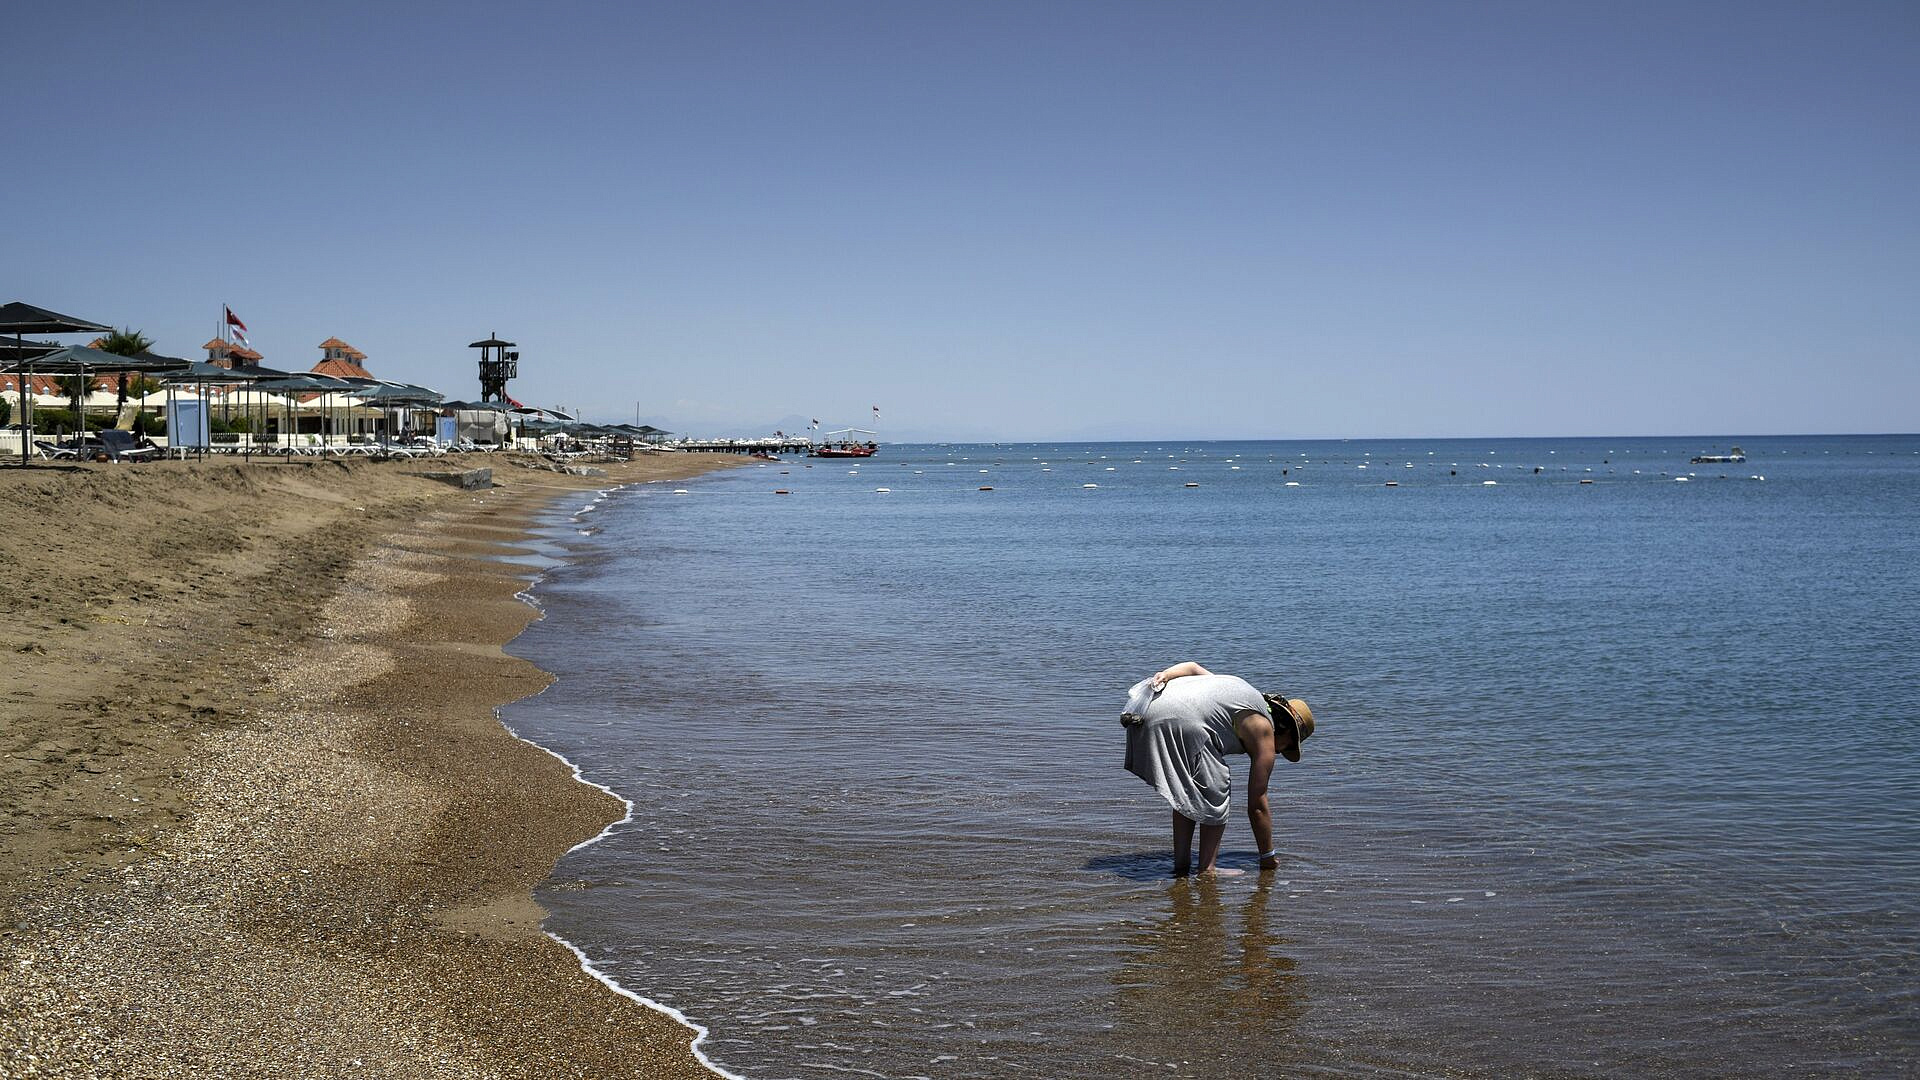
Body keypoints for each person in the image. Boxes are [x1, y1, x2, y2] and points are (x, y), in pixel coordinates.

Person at [1121, 662, 1315, 877]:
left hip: (1144, 709)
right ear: (1286, 730)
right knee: (1217, 784)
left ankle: (1181, 865)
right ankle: (1207, 868)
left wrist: (1165, 675)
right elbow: (1257, 805)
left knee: (1188, 790)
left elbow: (1193, 668)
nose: (1279, 752)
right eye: (1288, 745)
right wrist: (1267, 856)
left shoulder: (1239, 691)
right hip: (1180, 722)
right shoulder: (1264, 730)